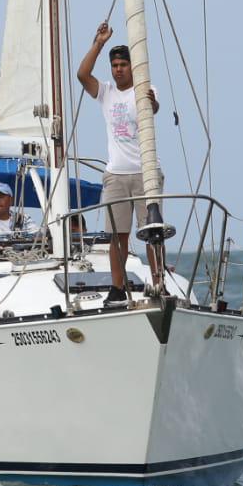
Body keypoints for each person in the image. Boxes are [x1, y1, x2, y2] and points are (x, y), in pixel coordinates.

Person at [77, 20, 163, 297]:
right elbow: (82, 74)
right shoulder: (105, 92)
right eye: (114, 66)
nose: (118, 70)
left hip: (144, 172)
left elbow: (154, 107)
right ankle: (117, 287)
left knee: (152, 233)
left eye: (123, 65)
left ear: (131, 66)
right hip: (116, 174)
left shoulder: (145, 89)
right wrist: (99, 43)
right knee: (117, 236)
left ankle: (158, 283)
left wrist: (152, 103)